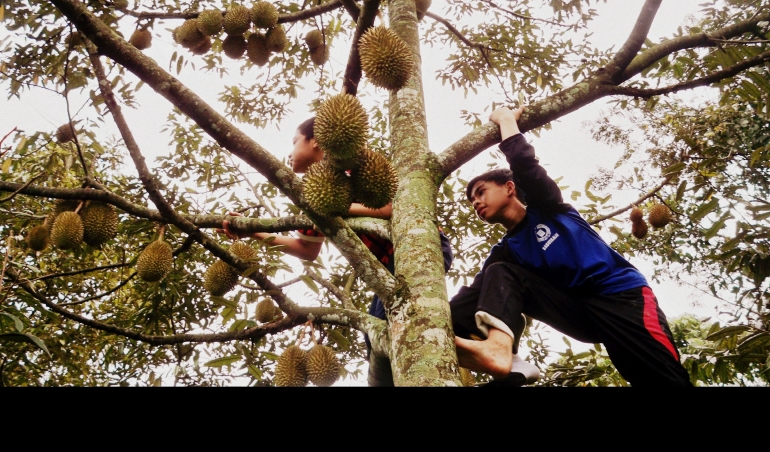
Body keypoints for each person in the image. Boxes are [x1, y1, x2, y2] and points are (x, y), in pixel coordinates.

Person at [449, 105, 692, 387]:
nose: (476, 203)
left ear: (509, 187)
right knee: (498, 274)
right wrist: (430, 321)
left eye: (481, 192)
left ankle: (503, 354)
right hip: (578, 314)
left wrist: (505, 120)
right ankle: (505, 355)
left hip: (622, 298)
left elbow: (526, 168)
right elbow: (472, 298)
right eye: (472, 201)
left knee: (660, 378)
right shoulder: (506, 252)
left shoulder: (549, 207)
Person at [222, 117, 453, 369]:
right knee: (376, 335)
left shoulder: (353, 164)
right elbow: (307, 249)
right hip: (388, 268)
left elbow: (390, 206)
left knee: (394, 327)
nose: (289, 153)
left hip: (416, 247)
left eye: (295, 141)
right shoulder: (310, 194)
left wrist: (338, 207)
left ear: (316, 142)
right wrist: (252, 231)